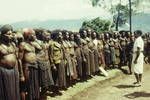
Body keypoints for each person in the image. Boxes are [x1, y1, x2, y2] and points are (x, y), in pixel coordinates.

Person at [0, 24, 20, 100]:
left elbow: (17, 59)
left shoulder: (13, 44)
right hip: (3, 72)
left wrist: (19, 72)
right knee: (6, 92)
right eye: (8, 34)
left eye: (11, 33)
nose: (11, 35)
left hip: (14, 71)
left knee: (14, 91)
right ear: (2, 35)